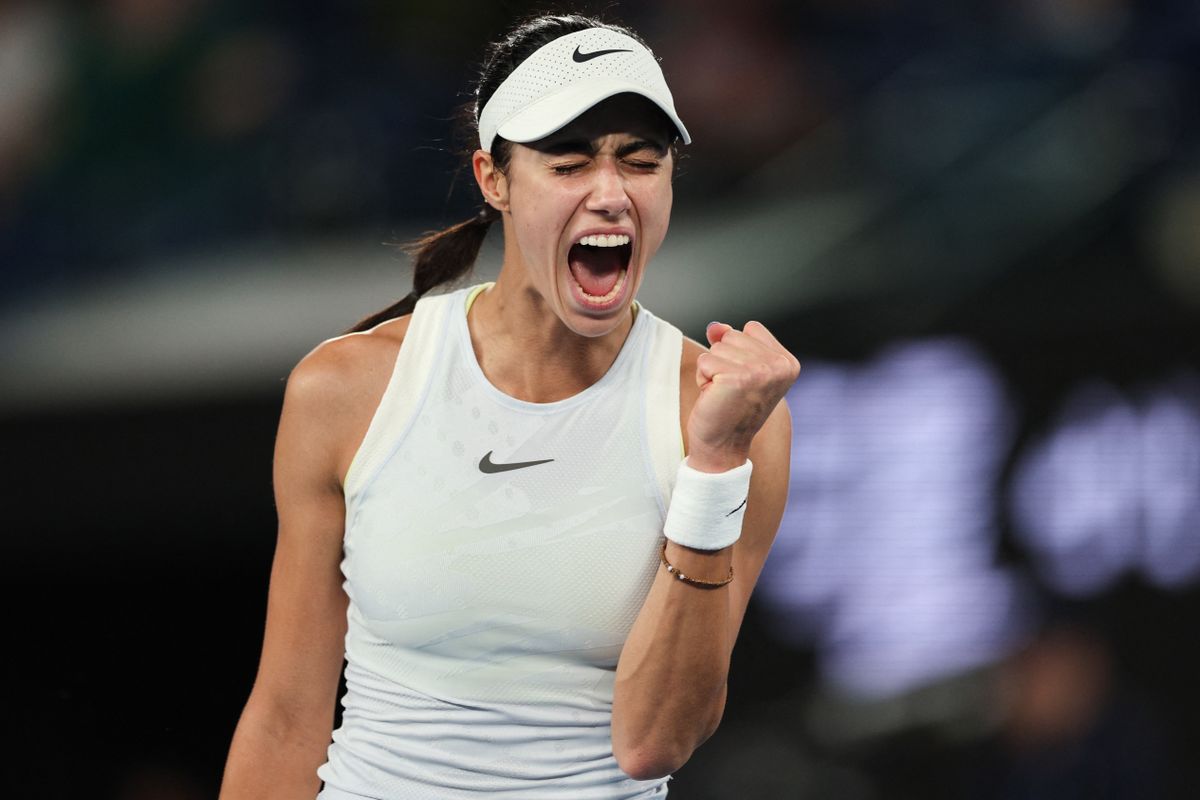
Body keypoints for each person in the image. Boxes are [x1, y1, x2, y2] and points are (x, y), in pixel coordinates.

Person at [219, 12, 799, 799]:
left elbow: (656, 741)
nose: (611, 195)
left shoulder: (730, 421)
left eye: (641, 161)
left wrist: (715, 467)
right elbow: (287, 716)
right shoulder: (345, 392)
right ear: (493, 179)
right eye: (569, 164)